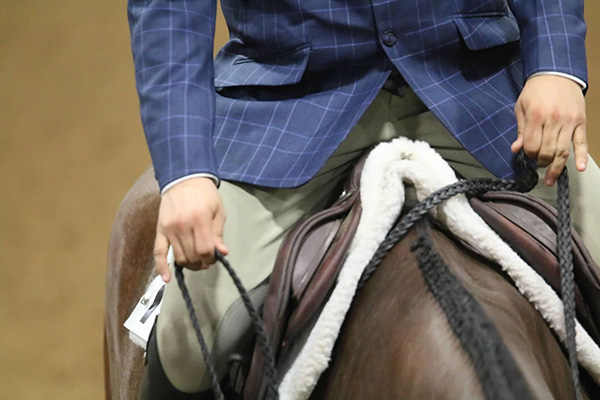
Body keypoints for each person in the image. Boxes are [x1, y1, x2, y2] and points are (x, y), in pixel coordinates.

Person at [127, 1, 599, 398]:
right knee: (187, 342)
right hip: (286, 109)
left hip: (474, 88)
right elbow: (169, 13)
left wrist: (555, 66)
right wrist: (185, 173)